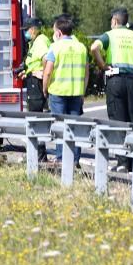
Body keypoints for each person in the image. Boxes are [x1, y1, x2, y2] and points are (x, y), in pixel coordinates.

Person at [90, 9, 133, 171]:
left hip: (115, 80)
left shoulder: (110, 35)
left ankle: (122, 163)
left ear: (115, 21)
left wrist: (103, 65)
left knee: (118, 121)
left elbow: (94, 47)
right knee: (132, 121)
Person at [42, 15, 89, 165]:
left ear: (59, 33)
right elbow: (86, 72)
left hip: (58, 92)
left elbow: (48, 71)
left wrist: (45, 88)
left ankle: (63, 159)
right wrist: (83, 91)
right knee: (74, 127)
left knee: (60, 127)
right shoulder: (81, 47)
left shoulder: (55, 47)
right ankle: (75, 159)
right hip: (76, 92)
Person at [20, 17, 51, 112]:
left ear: (33, 29)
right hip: (33, 81)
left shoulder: (40, 41)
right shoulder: (35, 41)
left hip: (38, 82)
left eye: (26, 29)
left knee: (36, 114)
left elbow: (45, 58)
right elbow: (34, 62)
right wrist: (27, 72)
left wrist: (43, 72)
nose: (25, 32)